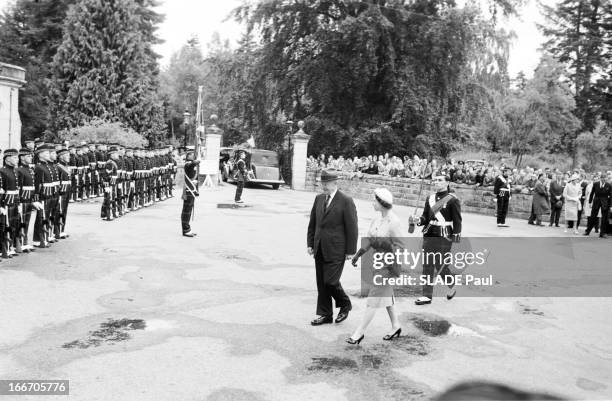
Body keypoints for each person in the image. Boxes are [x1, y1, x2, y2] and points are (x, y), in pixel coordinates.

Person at [347, 188, 404, 345]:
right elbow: (370, 240)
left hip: (387, 267)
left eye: (374, 200)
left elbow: (400, 247)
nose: (372, 203)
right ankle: (395, 326)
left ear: (381, 203)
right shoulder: (377, 219)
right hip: (376, 264)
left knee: (373, 299)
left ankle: (359, 333)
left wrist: (389, 258)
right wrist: (359, 254)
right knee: (386, 296)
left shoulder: (394, 222)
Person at [307, 169, 358, 325]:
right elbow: (313, 224)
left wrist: (351, 250)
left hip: (337, 249)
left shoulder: (346, 200)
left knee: (331, 281)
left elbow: (352, 227)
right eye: (322, 183)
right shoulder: (319, 198)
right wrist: (310, 243)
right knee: (321, 283)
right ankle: (325, 314)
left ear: (335, 183)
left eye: (326, 183)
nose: (324, 186)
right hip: (319, 247)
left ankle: (345, 304)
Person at [409, 174, 462, 305]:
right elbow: (425, 217)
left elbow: (457, 220)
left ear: (447, 182)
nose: (436, 182)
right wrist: (418, 220)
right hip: (429, 234)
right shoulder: (430, 198)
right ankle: (426, 295)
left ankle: (452, 283)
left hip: (444, 236)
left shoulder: (452, 200)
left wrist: (456, 236)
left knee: (440, 265)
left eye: (440, 180)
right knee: (427, 265)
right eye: (435, 180)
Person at [17, 149, 36, 253]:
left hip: (29, 198)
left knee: (27, 221)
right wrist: (19, 201)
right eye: (28, 156)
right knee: (22, 222)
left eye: (30, 156)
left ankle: (25, 241)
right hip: (23, 199)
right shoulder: (19, 170)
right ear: (22, 157)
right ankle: (21, 243)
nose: (30, 158)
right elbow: (18, 187)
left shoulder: (29, 169)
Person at [584, 172, 611, 238]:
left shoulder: (609, 185)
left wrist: (610, 206)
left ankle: (602, 233)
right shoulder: (595, 184)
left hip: (605, 202)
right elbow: (592, 193)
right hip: (596, 201)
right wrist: (590, 202)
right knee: (592, 216)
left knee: (604, 218)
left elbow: (611, 196)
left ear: (606, 178)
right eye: (602, 178)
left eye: (605, 178)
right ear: (600, 178)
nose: (603, 179)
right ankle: (587, 231)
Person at [181, 150, 200, 237]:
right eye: (192, 155)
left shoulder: (191, 164)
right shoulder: (188, 164)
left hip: (191, 190)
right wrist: (198, 159)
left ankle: (187, 229)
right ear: (188, 156)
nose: (194, 156)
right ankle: (185, 230)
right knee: (186, 211)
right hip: (188, 190)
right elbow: (193, 164)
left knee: (188, 210)